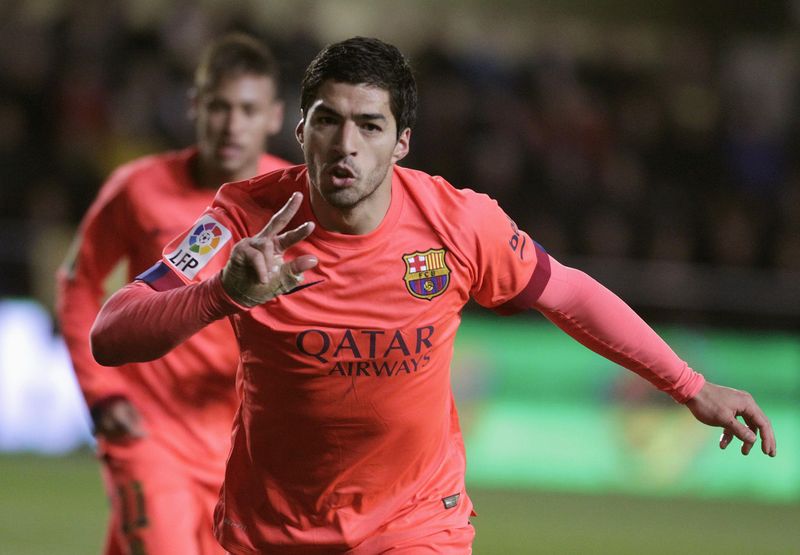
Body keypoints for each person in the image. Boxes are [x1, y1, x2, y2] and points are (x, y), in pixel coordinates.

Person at [90, 37, 776, 554]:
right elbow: (112, 330)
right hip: (271, 530)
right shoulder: (241, 219)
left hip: (416, 522)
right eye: (327, 121)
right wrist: (222, 294)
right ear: (299, 131)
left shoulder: (459, 222)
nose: (344, 146)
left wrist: (690, 385)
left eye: (370, 125)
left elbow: (568, 292)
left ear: (403, 142)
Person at [56, 33, 290, 555]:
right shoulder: (137, 188)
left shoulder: (290, 201)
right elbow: (78, 286)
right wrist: (102, 393)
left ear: (274, 117)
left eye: (248, 110)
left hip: (239, 445)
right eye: (219, 107)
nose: (232, 125)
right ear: (194, 107)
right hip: (147, 429)